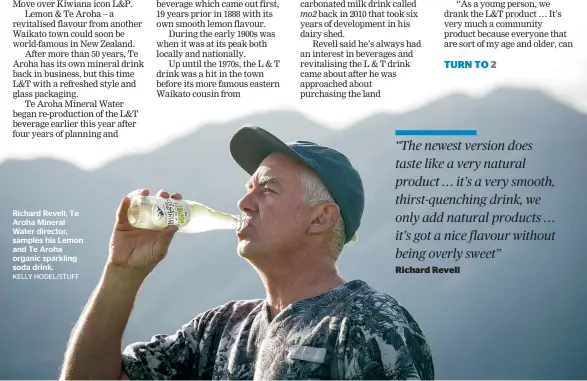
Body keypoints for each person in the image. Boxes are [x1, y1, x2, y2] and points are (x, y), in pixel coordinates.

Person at [59, 125, 434, 380]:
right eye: (249, 187)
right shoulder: (218, 330)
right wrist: (122, 272)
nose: (244, 202)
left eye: (267, 189)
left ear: (321, 218)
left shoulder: (369, 323)